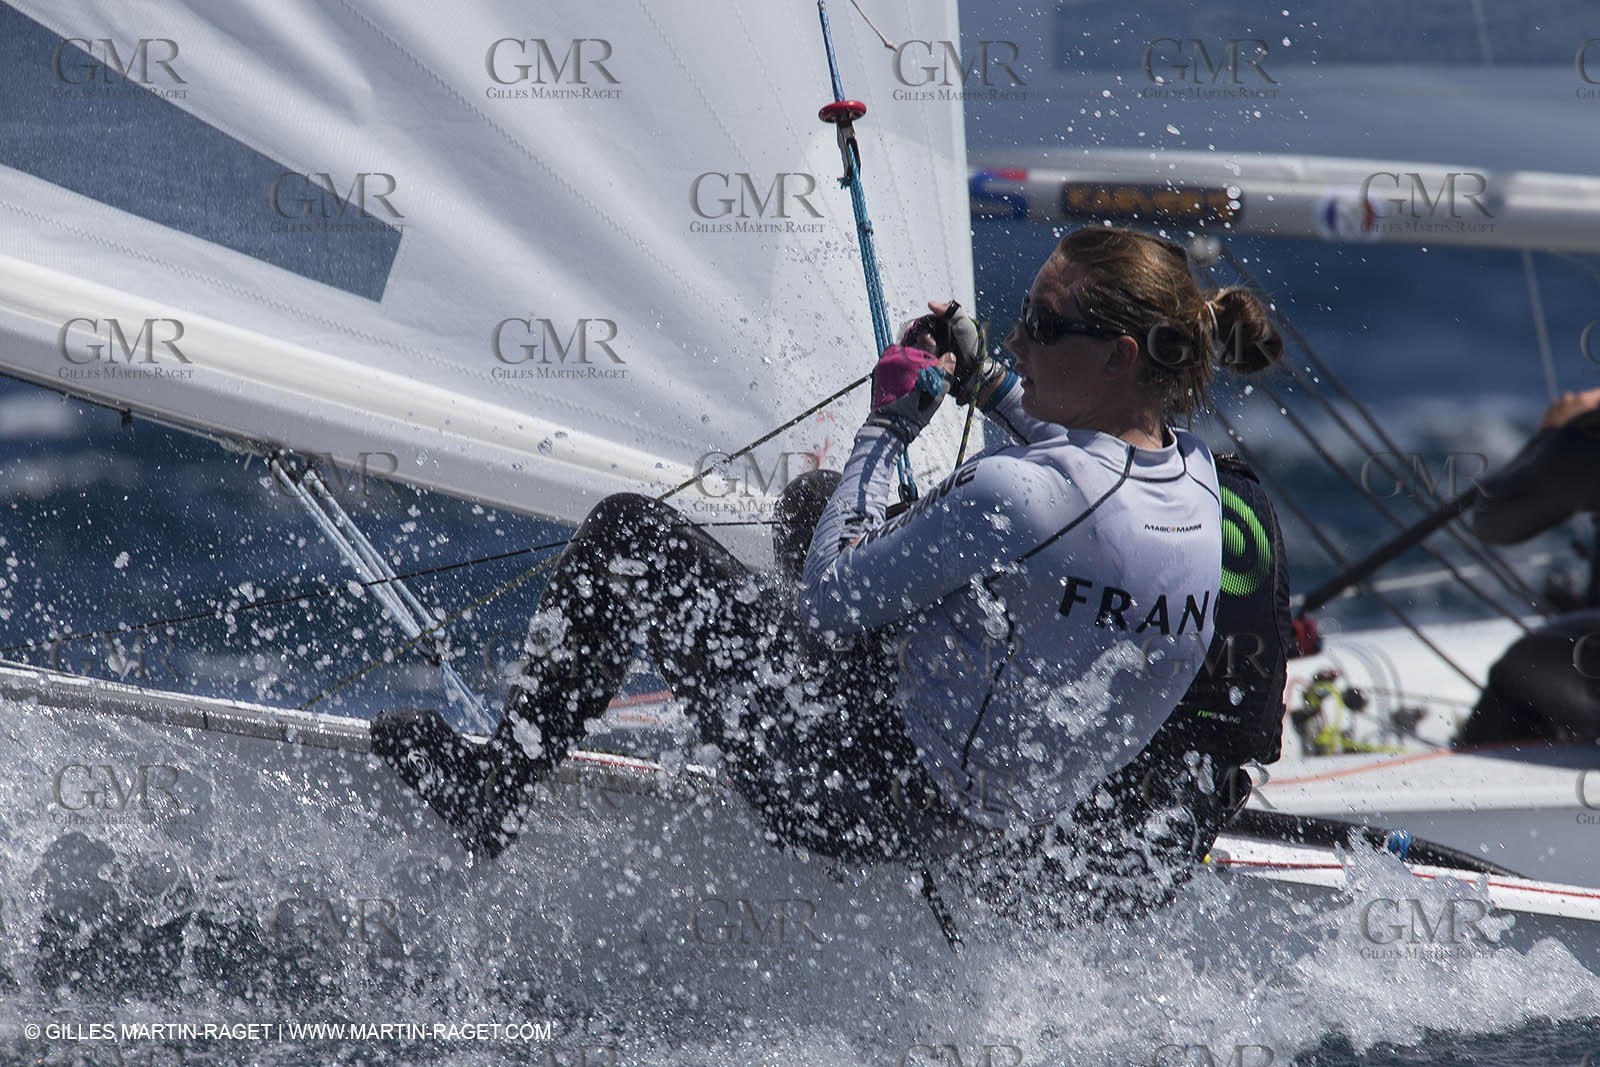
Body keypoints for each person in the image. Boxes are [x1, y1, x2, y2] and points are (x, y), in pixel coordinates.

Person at [371, 226, 1285, 919]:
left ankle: (493, 792)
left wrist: (887, 426)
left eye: (1042, 326)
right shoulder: (1198, 479)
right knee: (815, 504)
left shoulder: (1017, 494)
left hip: (861, 798)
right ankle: (761, 689)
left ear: (1121, 357)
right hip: (1010, 814)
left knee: (629, 535)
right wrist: (990, 382)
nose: (1020, 334)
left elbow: (833, 599)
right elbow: (1086, 477)